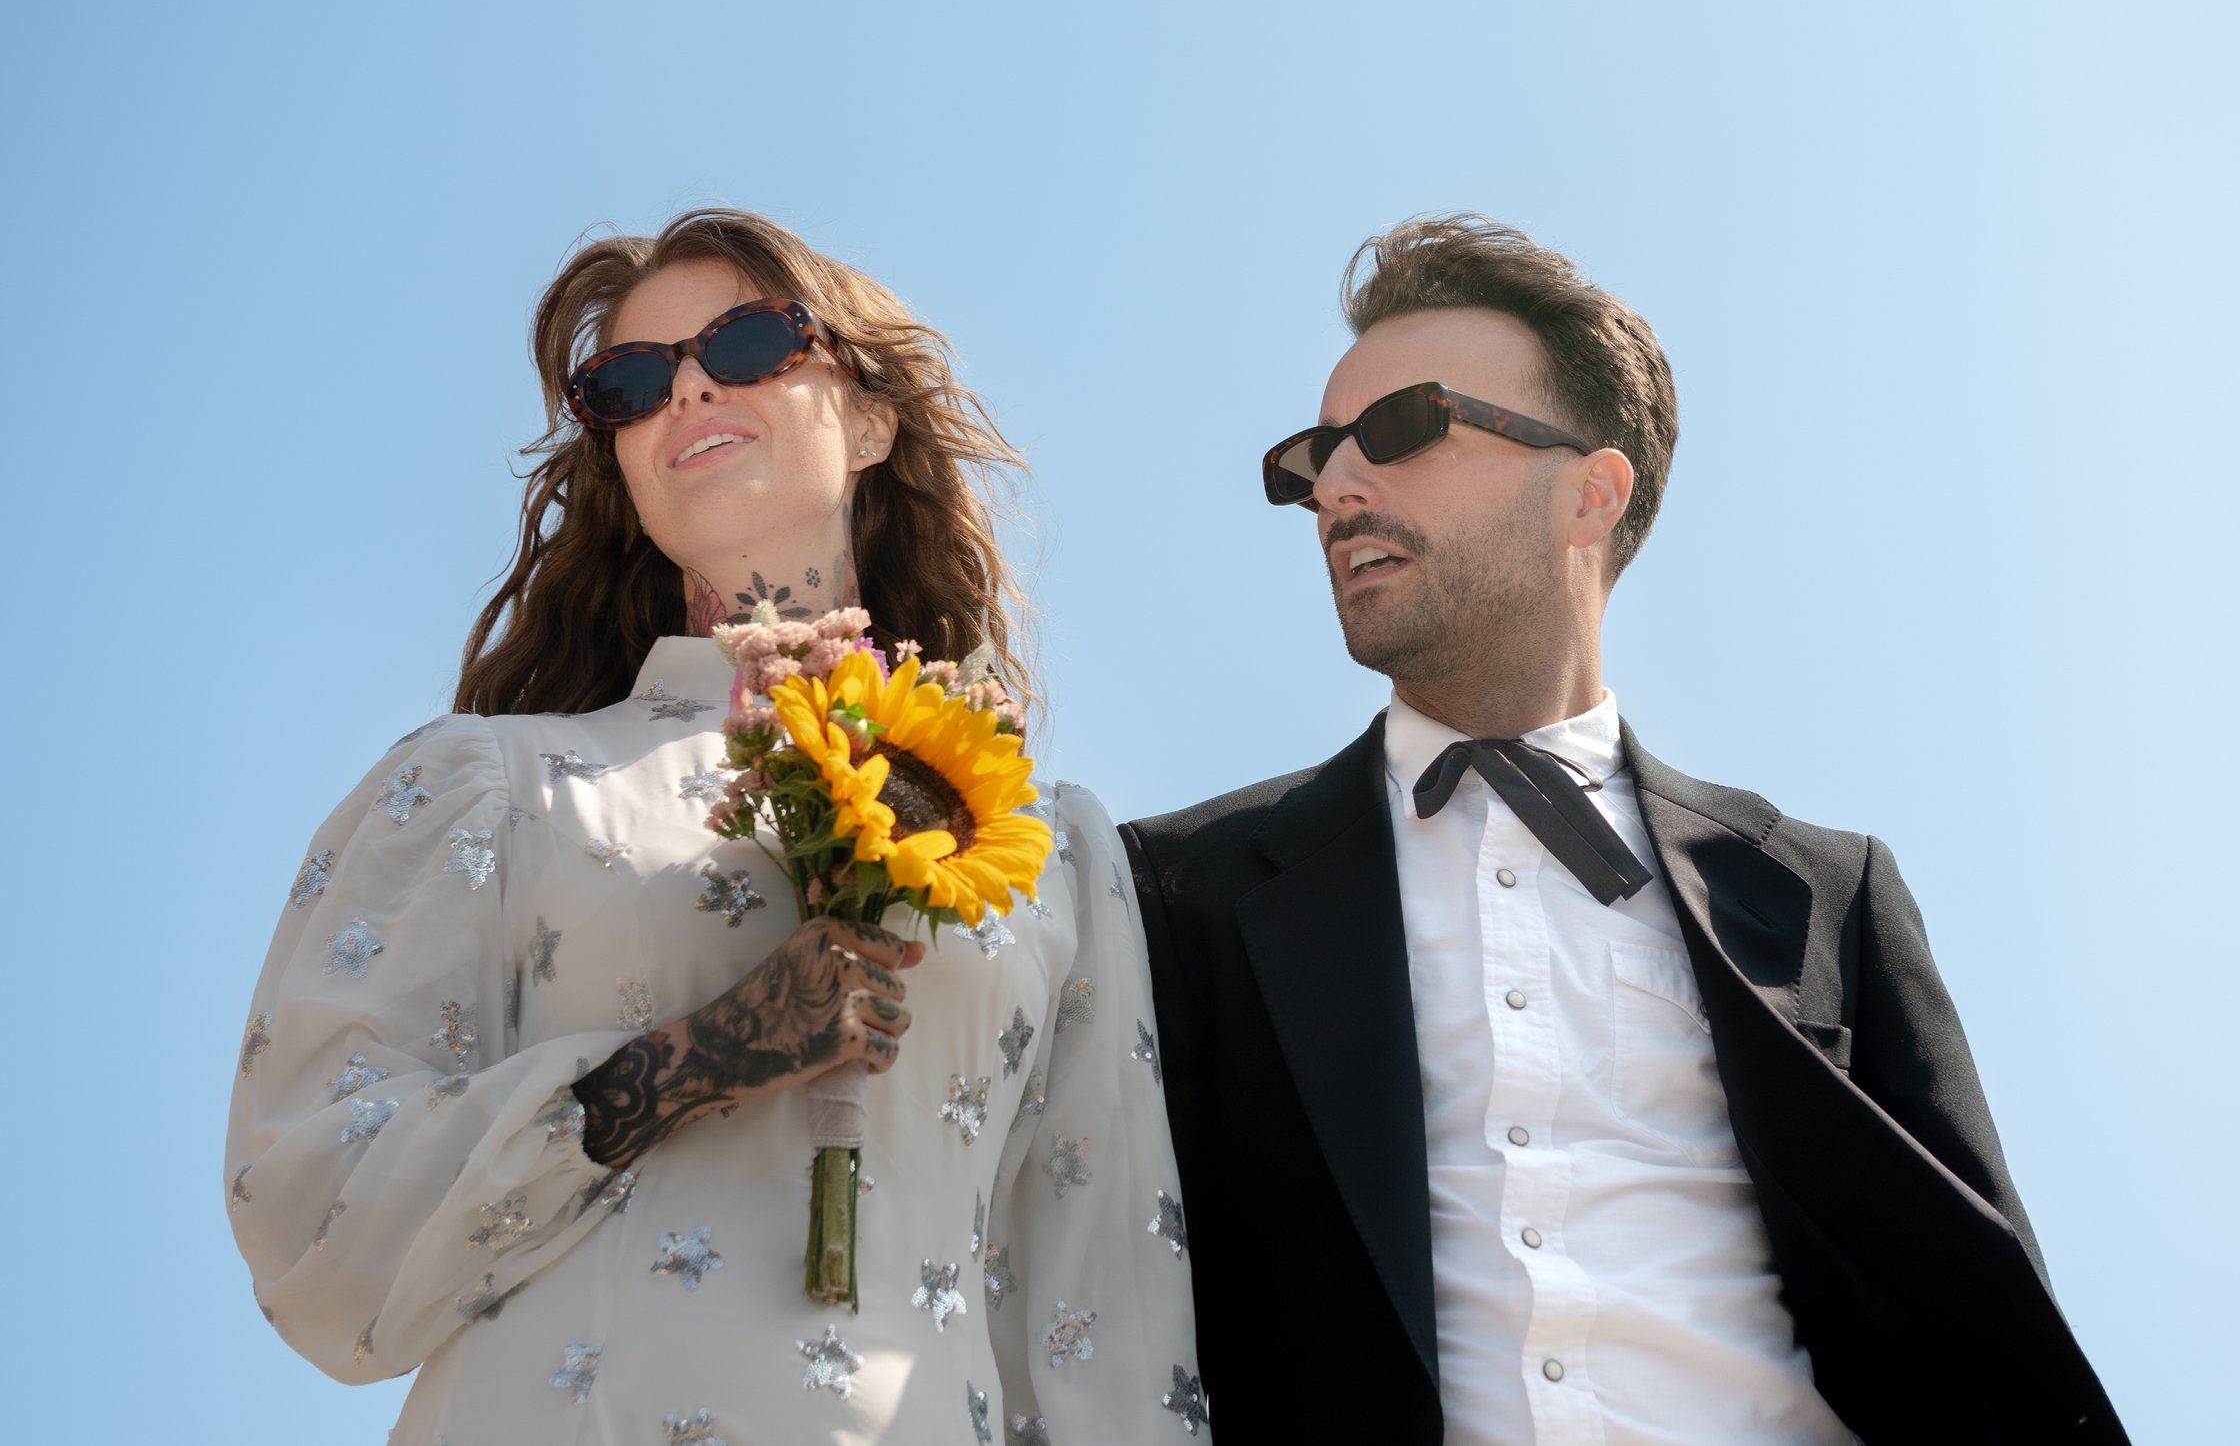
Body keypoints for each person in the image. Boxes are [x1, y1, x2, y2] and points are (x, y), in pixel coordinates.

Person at [1123, 216, 2126, 1444]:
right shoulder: (1175, 893)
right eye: (1314, 457)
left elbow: (1983, 1326)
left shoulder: (1827, 890)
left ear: (1590, 494)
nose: (1335, 487)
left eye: (1398, 430)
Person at [227, 209, 1207, 1444]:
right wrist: (685, 1062)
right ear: (627, 470)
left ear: (868, 417)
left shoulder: (1056, 855)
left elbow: (1103, 1316)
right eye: (628, 384)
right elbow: (315, 1216)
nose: (687, 385)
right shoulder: (485, 783)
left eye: (745, 342)